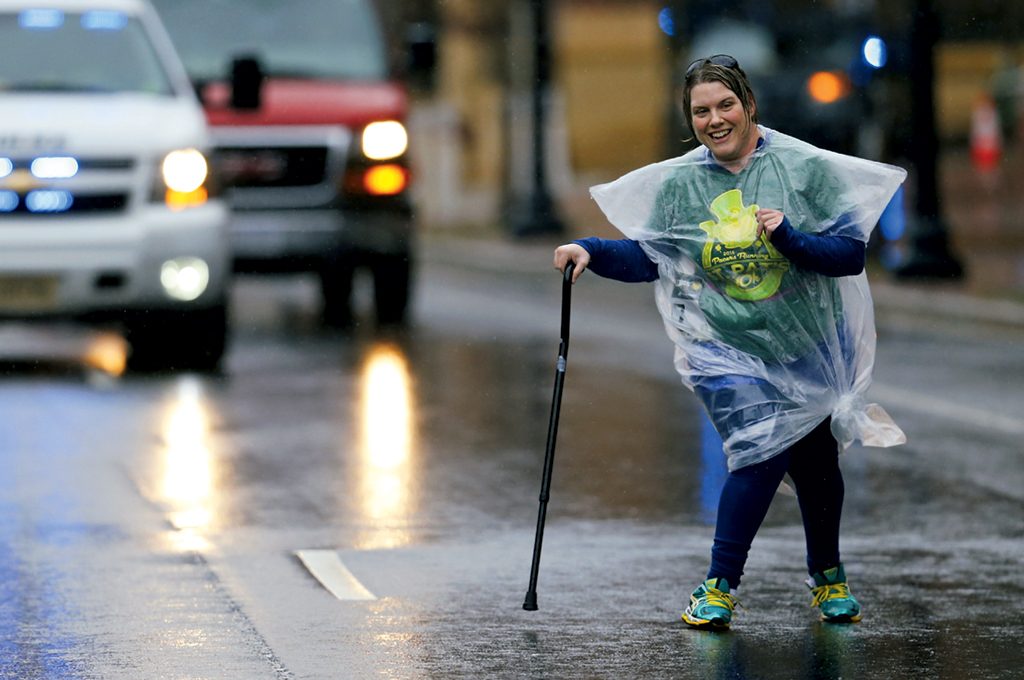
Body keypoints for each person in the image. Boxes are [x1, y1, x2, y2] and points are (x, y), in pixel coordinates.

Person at [553, 54, 906, 630]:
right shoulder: (682, 183)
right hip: (727, 351)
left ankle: (828, 576)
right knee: (759, 448)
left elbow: (849, 255)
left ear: (748, 106)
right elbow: (651, 256)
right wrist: (590, 250)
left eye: (725, 106)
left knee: (818, 466)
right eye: (700, 111)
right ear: (688, 118)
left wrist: (788, 235)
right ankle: (719, 584)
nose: (714, 120)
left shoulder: (802, 170)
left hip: (809, 346)